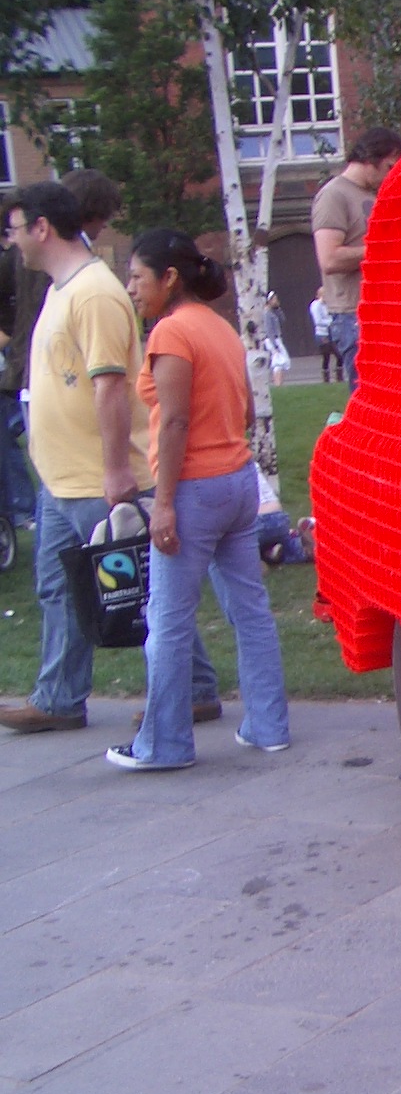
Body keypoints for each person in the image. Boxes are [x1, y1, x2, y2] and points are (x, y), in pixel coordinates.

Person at [0, 185, 217, 733]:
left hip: (98, 479)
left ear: (42, 227)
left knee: (139, 587)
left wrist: (117, 469)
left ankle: (194, 689)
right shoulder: (60, 288)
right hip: (60, 479)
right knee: (59, 588)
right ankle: (58, 697)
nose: (12, 239)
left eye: (16, 227)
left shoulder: (94, 294)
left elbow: (111, 388)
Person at [108, 230, 289, 770]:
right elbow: (247, 410)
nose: (131, 287)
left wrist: (163, 503)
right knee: (250, 611)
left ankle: (164, 745)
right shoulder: (221, 328)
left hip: (193, 490)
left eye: (138, 276)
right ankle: (268, 725)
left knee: (168, 619)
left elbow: (176, 421)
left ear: (169, 278)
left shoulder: (170, 334)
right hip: (237, 484)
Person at [0, 169, 126, 531]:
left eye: (15, 230)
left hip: (53, 382)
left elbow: (110, 383)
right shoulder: (54, 270)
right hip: (45, 374)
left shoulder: (84, 281)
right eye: (102, 218)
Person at [312, 126, 401, 391]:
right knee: (369, 399)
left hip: (385, 312)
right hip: (354, 315)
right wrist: (386, 247)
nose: (393, 174)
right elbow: (329, 258)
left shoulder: (375, 195)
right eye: (390, 166)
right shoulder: (334, 195)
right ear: (369, 159)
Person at [309, 294, 336, 382]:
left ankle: (339, 376)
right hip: (322, 333)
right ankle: (326, 378)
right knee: (326, 355)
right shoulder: (316, 305)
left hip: (331, 332)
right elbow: (318, 321)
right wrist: (331, 322)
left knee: (339, 354)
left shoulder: (327, 304)